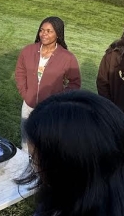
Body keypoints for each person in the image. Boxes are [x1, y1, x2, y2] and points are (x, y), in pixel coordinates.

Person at [15, 16, 81, 148]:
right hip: (29, 105)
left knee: (45, 142)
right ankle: (26, 163)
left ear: (58, 34)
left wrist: (58, 99)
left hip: (50, 108)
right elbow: (20, 72)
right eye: (42, 30)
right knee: (26, 140)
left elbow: (75, 82)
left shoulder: (67, 57)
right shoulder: (28, 51)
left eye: (49, 31)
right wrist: (25, 93)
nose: (44, 34)